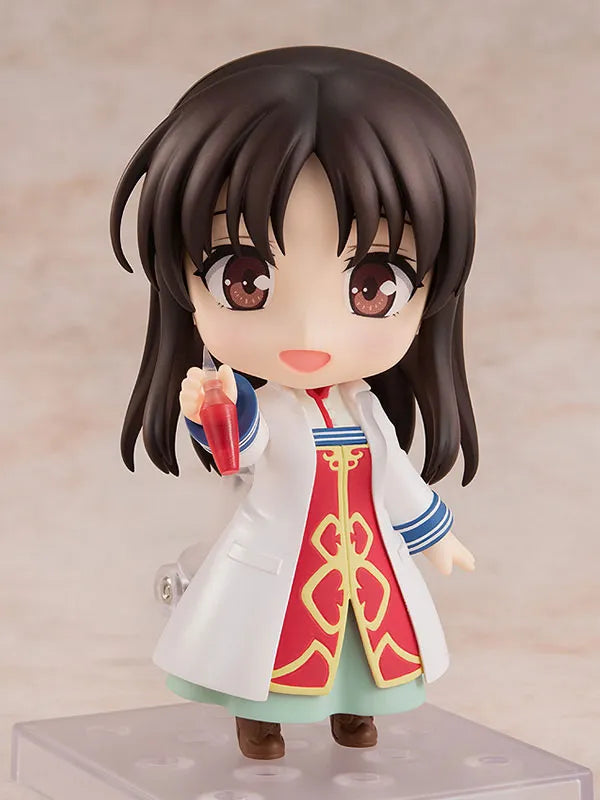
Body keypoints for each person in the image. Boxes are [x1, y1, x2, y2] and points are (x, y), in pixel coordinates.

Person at [110, 46, 478, 760]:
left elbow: (396, 480)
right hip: (280, 559)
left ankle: (353, 714)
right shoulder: (272, 409)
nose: (310, 335)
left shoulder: (364, 410)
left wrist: (435, 536)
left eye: (373, 286)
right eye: (244, 280)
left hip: (362, 558)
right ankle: (261, 721)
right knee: (263, 645)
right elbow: (240, 455)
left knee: (368, 637)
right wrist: (221, 410)